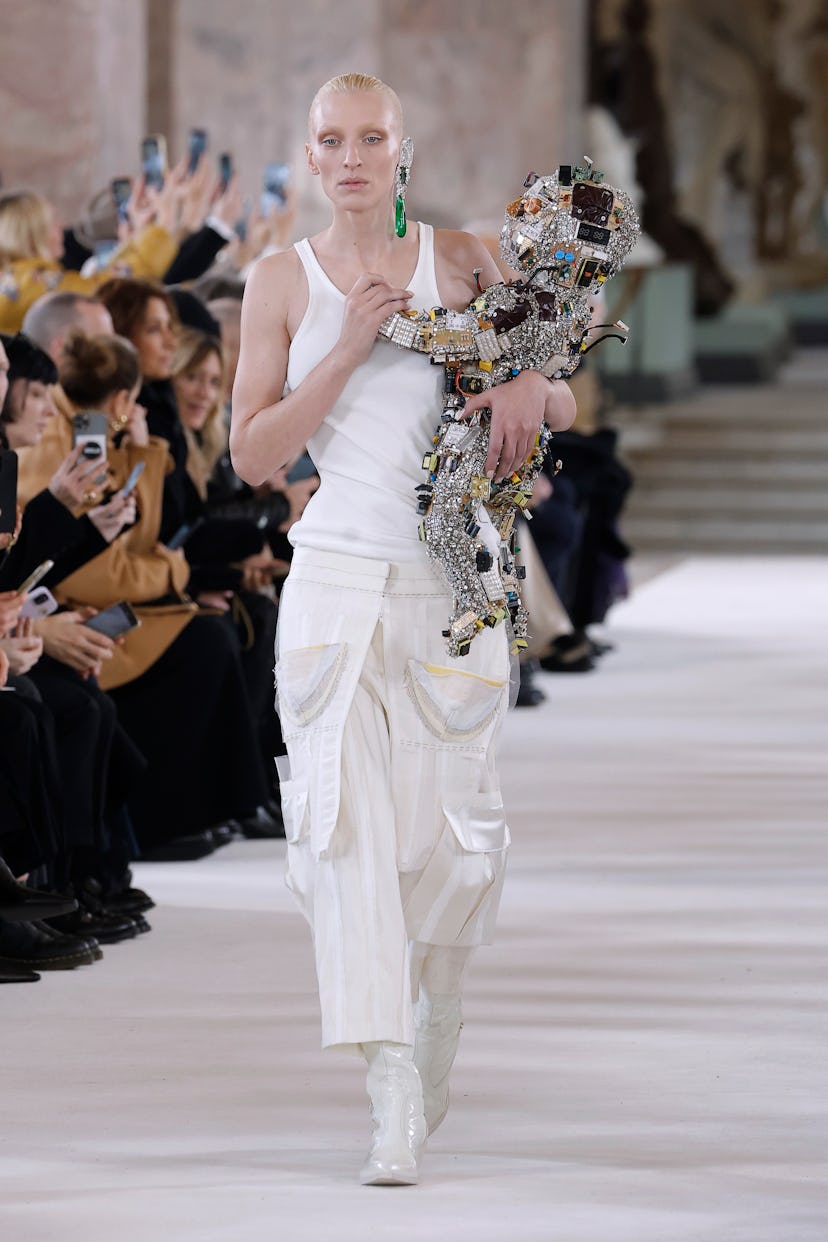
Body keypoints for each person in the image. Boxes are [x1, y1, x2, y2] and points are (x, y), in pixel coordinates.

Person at [231, 72, 576, 1185]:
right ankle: (386, 1082)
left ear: (401, 148)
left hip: (457, 576)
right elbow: (251, 456)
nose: (349, 157)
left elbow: (563, 396)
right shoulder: (278, 280)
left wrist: (528, 386)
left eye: (369, 137)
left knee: (451, 837)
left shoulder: (469, 256)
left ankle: (438, 1002)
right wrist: (343, 348)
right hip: (335, 576)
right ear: (311, 154)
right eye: (330, 139)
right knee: (344, 833)